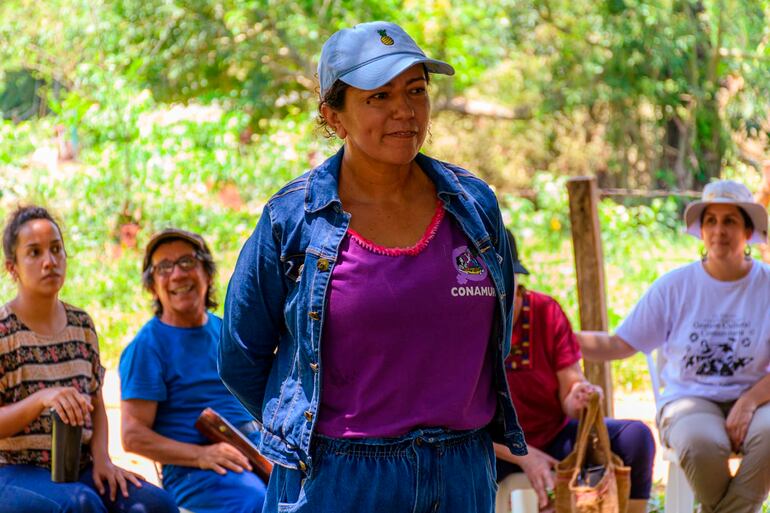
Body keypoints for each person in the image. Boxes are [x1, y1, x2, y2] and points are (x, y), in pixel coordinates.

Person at [218, 21, 526, 513]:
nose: (404, 110)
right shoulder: (292, 219)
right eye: (378, 96)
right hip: (341, 479)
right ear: (332, 116)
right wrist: (314, 437)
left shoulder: (474, 205)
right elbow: (239, 355)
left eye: (416, 90)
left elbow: (495, 334)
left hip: (462, 472)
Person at [578, 179, 770, 513]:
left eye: (730, 221)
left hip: (759, 396)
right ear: (700, 229)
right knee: (700, 444)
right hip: (689, 400)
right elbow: (619, 344)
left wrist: (750, 401)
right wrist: (551, 334)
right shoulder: (675, 287)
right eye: (711, 220)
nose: (719, 230)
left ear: (748, 230)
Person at [0, 205, 177, 513]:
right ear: (12, 267)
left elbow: (95, 403)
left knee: (156, 504)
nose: (49, 262)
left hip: (78, 465)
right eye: (34, 253)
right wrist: (42, 399)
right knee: (80, 506)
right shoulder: (4, 331)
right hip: (13, 470)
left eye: (56, 249)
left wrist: (103, 460)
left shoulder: (81, 324)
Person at [493, 231, 655, 513]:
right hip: (491, 448)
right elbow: (461, 421)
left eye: (507, 279)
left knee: (635, 437)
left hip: (553, 436)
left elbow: (569, 389)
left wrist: (580, 394)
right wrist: (525, 456)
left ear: (518, 278)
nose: (500, 290)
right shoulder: (465, 323)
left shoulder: (545, 311)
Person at [119, 229, 267, 513]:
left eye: (187, 262)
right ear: (152, 286)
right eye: (164, 267)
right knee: (258, 503)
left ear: (207, 273)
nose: (177, 275)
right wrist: (202, 455)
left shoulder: (227, 331)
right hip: (198, 472)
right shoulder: (147, 347)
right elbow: (132, 435)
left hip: (258, 456)